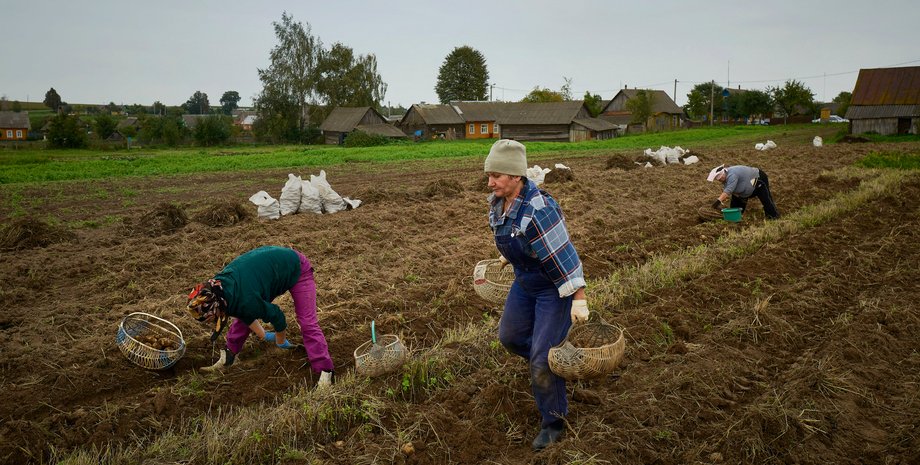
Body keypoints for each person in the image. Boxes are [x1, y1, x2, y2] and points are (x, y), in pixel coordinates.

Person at [484, 139, 589, 451]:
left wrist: (579, 296)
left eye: (497, 176)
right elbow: (514, 236)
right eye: (489, 174)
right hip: (525, 281)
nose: (490, 182)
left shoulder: (539, 208)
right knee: (510, 338)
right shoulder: (497, 202)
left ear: (516, 176)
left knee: (542, 359)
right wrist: (509, 257)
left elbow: (563, 254)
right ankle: (550, 360)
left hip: (552, 287)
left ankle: (554, 421)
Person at [186, 245, 335, 387]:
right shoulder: (218, 288)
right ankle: (229, 356)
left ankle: (325, 371)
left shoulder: (241, 299)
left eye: (212, 318)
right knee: (244, 311)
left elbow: (277, 316)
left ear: (217, 307)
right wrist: (263, 334)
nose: (212, 321)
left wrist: (280, 340)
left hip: (296, 267)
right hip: (267, 272)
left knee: (308, 323)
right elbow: (243, 312)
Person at [707, 164, 780, 219]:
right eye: (719, 180)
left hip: (758, 179)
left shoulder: (732, 174)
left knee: (765, 199)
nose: (720, 181)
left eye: (721, 178)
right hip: (746, 186)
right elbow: (731, 190)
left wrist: (718, 201)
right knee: (735, 202)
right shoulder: (725, 178)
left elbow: (728, 190)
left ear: (723, 173)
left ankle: (773, 216)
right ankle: (734, 218)